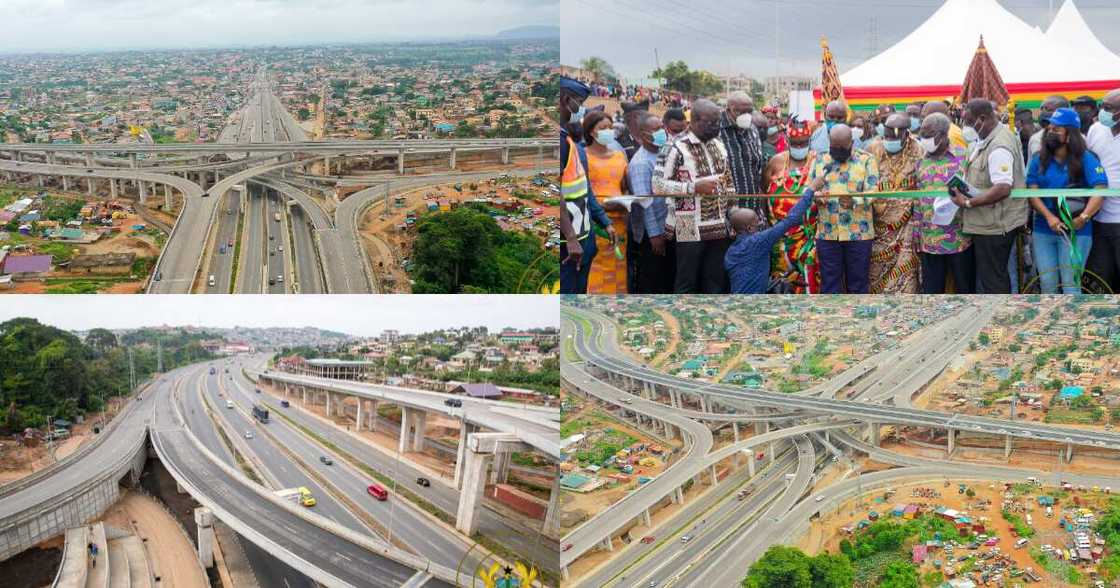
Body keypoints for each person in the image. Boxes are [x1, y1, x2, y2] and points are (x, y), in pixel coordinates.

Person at [653, 99, 735, 293]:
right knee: (687, 281)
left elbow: (728, 179)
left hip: (719, 224)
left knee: (715, 281)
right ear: (695, 120)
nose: (717, 126)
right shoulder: (675, 147)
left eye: (718, 122)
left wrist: (733, 208)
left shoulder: (719, 145)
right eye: (711, 122)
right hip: (687, 224)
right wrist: (692, 187)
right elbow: (657, 185)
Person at [949, 98, 1029, 294]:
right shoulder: (989, 138)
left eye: (968, 122)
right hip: (989, 222)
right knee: (993, 277)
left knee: (993, 280)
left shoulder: (999, 145)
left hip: (994, 225)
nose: (965, 127)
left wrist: (967, 202)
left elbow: (1002, 188)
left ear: (982, 119)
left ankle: (1000, 320)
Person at [1026, 108, 1107, 294]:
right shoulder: (1039, 159)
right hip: (1044, 229)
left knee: (1071, 284)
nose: (1050, 132)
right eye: (1049, 128)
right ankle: (1049, 322)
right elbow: (1031, 192)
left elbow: (1100, 190)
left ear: (1070, 134)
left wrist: (1084, 217)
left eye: (1057, 129)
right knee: (1047, 282)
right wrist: (1049, 217)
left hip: (1076, 230)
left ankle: (1072, 323)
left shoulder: (1087, 158)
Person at [559, 77, 616, 294]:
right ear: (566, 100)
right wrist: (571, 239)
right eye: (580, 102)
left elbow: (583, 188)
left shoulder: (571, 144)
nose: (581, 109)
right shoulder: (561, 142)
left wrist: (603, 221)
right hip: (569, 244)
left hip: (584, 237)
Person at [809, 123, 880, 293]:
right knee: (830, 283)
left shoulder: (866, 160)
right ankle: (833, 319)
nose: (839, 150)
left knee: (858, 283)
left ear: (852, 143)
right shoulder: (819, 160)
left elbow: (874, 191)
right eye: (835, 147)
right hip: (828, 233)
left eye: (843, 147)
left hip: (858, 234)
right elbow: (808, 189)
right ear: (829, 142)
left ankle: (858, 318)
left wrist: (855, 200)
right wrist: (817, 197)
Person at [726, 175, 827, 293]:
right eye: (756, 222)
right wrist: (811, 189)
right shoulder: (759, 241)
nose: (760, 224)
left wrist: (780, 280)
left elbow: (748, 278)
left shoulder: (730, 253)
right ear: (749, 228)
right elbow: (791, 219)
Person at [913, 112, 974, 293]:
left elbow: (974, 192)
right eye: (922, 136)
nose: (924, 140)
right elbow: (917, 200)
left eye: (929, 136)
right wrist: (917, 234)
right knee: (932, 291)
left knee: (965, 288)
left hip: (960, 236)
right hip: (929, 239)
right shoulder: (920, 162)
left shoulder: (965, 157)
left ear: (943, 134)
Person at [865, 113, 922, 293]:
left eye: (895, 137)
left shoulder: (918, 149)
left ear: (906, 135)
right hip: (879, 223)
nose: (890, 140)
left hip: (907, 223)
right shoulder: (873, 148)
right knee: (875, 272)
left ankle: (904, 312)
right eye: (887, 136)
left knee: (906, 271)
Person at [764, 118, 820, 293]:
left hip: (809, 240)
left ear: (810, 141)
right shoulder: (776, 162)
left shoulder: (819, 162)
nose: (799, 147)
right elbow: (763, 194)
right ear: (787, 141)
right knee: (781, 285)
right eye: (795, 144)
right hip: (780, 239)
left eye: (803, 143)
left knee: (810, 282)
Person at [627, 112, 675, 293]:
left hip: (667, 227)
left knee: (667, 277)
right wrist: (655, 235)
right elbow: (645, 203)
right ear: (643, 135)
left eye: (661, 127)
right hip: (653, 233)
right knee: (653, 280)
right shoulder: (641, 163)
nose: (662, 132)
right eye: (656, 129)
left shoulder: (663, 152)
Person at [1085, 89, 1120, 292]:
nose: (1101, 112)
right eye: (1101, 106)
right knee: (1100, 276)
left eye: (1108, 108)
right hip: (1097, 218)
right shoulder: (1096, 129)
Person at [719, 92, 767, 225]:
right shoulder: (715, 131)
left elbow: (757, 168)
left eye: (749, 111)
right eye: (741, 112)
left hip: (752, 209)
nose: (746, 116)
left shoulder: (752, 130)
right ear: (729, 109)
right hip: (725, 214)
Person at [583, 111, 629, 197]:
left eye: (610, 128)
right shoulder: (582, 156)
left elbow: (625, 187)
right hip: (593, 208)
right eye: (602, 128)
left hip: (618, 207)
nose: (608, 131)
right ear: (591, 132)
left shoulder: (619, 156)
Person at [1028, 95, 1070, 159]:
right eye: (1042, 109)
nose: (1043, 112)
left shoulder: (1076, 137)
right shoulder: (1035, 138)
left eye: (1049, 109)